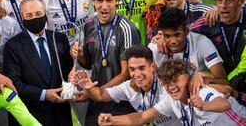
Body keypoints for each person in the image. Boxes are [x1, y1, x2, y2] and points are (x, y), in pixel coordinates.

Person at [70, 0, 140, 125]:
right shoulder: (89, 24)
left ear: (117, 1)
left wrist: (96, 93)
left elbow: (127, 73)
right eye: (100, 0)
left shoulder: (127, 29)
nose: (104, 6)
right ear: (93, 2)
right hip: (96, 102)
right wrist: (80, 54)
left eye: (109, 0)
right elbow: (89, 64)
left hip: (122, 102)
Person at [98, 59, 246, 126]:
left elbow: (224, 104)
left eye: (175, 80)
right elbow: (143, 116)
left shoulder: (201, 91)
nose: (172, 86)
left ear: (187, 78)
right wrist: (113, 120)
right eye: (167, 82)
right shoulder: (172, 100)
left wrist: (203, 106)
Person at [3, 0, 73, 125]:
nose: (34, 18)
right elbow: (14, 84)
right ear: (22, 17)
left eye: (38, 13)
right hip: (30, 116)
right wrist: (44, 94)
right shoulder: (13, 46)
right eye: (29, 15)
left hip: (61, 115)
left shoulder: (60, 39)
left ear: (46, 14)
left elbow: (69, 73)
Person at [72, 45, 181, 126]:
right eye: (132, 69)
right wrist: (89, 87)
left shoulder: (167, 86)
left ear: (152, 66)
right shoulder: (128, 87)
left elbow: (142, 118)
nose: (137, 74)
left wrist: (112, 120)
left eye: (141, 68)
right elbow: (100, 95)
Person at [148, 8, 228, 88]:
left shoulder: (202, 43)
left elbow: (223, 81)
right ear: (162, 34)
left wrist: (203, 75)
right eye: (167, 36)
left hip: (196, 95)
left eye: (177, 35)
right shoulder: (154, 48)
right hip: (166, 96)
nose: (173, 41)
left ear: (186, 31)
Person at [190, 0, 246, 91]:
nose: (223, 6)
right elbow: (181, 32)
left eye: (229, 0)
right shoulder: (208, 21)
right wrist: (161, 37)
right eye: (219, 0)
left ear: (241, 1)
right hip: (223, 83)